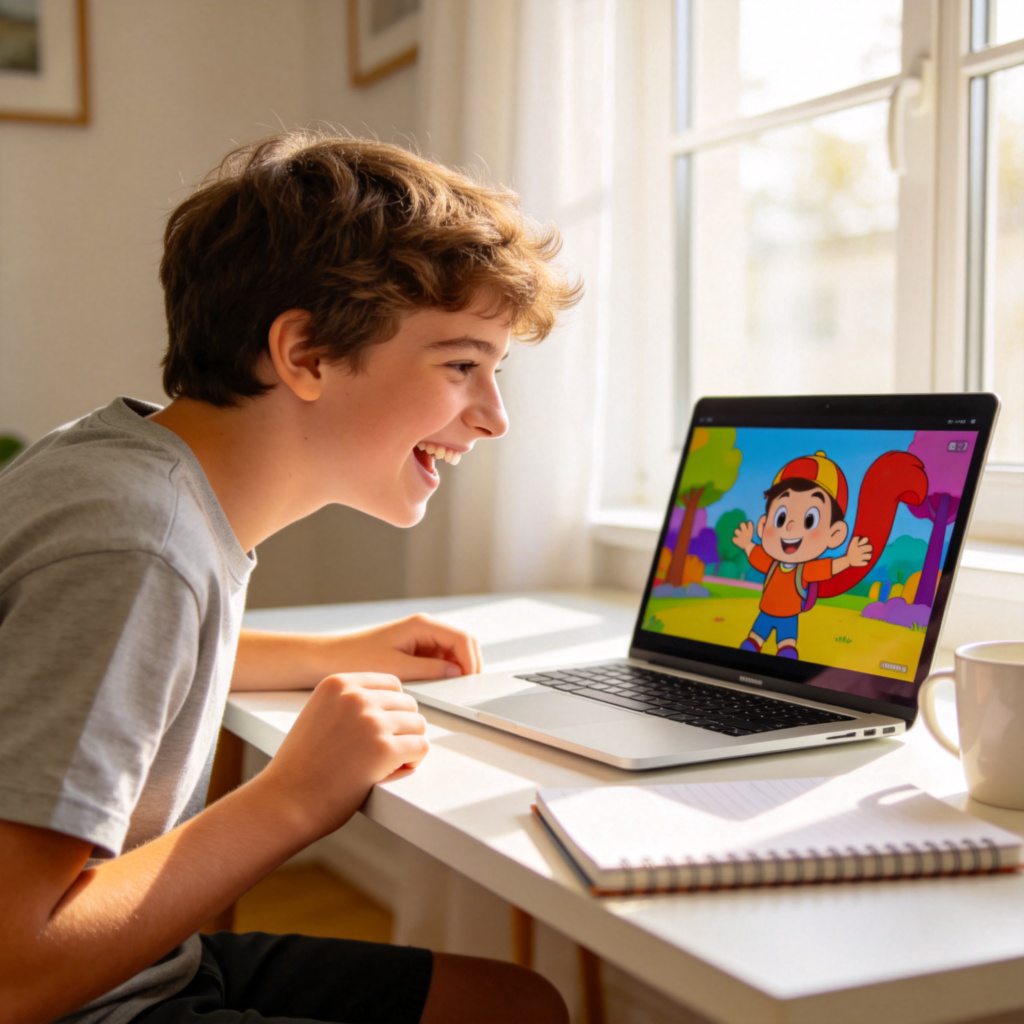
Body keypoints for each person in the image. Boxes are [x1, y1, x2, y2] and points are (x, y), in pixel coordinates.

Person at [0, 129, 581, 1023]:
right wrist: (295, 797)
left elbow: (89, 669)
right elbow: (13, 974)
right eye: (463, 364)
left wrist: (326, 652)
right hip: (79, 996)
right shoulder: (137, 545)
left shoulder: (128, 471)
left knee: (514, 1003)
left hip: (138, 966)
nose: (494, 417)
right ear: (305, 354)